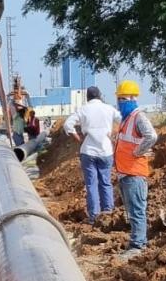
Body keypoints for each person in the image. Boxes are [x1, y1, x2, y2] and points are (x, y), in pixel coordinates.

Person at [113, 79, 158, 259]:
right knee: (131, 210)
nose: (120, 103)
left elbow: (152, 135)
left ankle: (138, 245)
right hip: (125, 172)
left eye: (123, 99)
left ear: (132, 98)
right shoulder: (126, 119)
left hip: (134, 173)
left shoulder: (138, 116)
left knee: (137, 209)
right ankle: (136, 241)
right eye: (120, 99)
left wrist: (138, 152)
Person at [64, 84, 119, 225]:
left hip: (88, 150)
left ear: (87, 97)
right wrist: (113, 134)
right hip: (106, 150)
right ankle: (108, 212)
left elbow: (68, 125)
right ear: (100, 96)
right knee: (106, 182)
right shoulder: (109, 109)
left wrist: (78, 138)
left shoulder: (83, 110)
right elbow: (123, 120)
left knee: (92, 184)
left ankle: (94, 216)